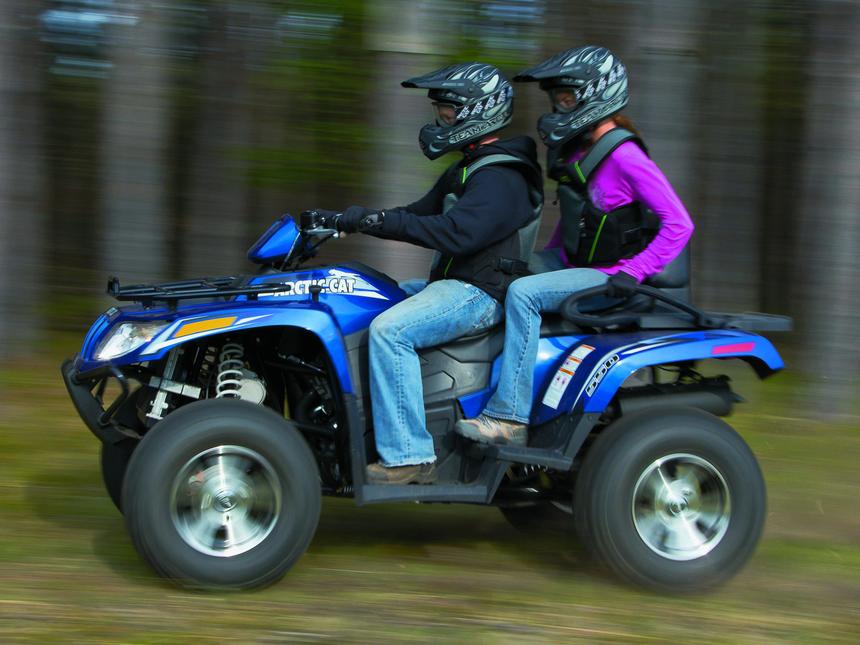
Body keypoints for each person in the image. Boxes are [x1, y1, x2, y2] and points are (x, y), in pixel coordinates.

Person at [455, 45, 694, 446]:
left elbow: (680, 224)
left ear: (596, 95)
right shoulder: (581, 151)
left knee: (524, 294)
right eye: (556, 99)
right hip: (574, 263)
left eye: (566, 98)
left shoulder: (625, 155)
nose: (557, 108)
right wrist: (529, 260)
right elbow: (576, 220)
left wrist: (633, 272)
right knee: (497, 274)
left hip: (610, 274)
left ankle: (508, 417)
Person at [321, 62, 543, 484]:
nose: (438, 120)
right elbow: (416, 214)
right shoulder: (469, 167)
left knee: (391, 330)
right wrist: (345, 221)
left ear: (478, 111)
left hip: (480, 293)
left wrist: (374, 221)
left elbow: (457, 233)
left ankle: (409, 455)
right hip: (453, 285)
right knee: (363, 300)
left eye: (446, 111)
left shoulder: (503, 175)